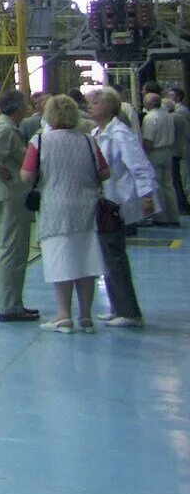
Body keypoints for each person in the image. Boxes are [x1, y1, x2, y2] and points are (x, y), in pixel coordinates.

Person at [20, 94, 107, 333]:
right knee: (87, 261)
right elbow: (104, 172)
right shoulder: (89, 141)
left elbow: (27, 176)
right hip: (87, 208)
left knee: (60, 259)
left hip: (54, 208)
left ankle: (63, 315)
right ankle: (86, 317)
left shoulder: (39, 142)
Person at [88, 87, 156, 328]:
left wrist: (147, 195)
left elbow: (139, 164)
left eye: (95, 103)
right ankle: (117, 306)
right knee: (107, 255)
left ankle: (130, 312)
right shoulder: (98, 132)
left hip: (116, 202)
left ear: (109, 107)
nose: (90, 106)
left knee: (114, 255)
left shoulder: (120, 133)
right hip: (104, 201)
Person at [0, 90, 39, 322]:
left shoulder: (6, 126)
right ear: (18, 108)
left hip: (12, 195)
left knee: (14, 249)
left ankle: (13, 302)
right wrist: (3, 174)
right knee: (13, 250)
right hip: (11, 195)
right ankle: (10, 306)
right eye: (26, 105)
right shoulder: (5, 128)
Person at [140, 93, 180, 226]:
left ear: (150, 103)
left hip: (155, 153)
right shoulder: (168, 115)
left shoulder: (150, 117)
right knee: (168, 185)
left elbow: (148, 140)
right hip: (168, 151)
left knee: (156, 186)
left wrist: (144, 156)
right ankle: (174, 216)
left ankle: (161, 217)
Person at [168, 87, 190, 213]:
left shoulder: (180, 111)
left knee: (183, 173)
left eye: (172, 95)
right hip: (181, 144)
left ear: (178, 97)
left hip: (181, 145)